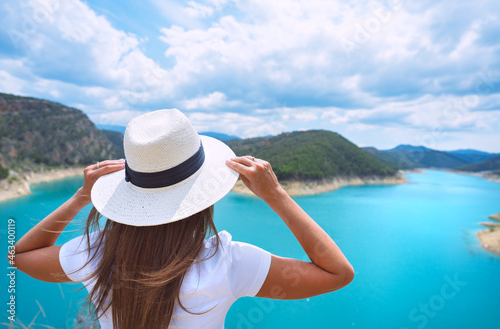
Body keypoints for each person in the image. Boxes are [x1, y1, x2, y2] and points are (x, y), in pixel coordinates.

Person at [12, 109, 354, 328]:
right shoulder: (226, 263)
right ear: (203, 200)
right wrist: (276, 195)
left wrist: (82, 196)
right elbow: (337, 273)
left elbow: (21, 256)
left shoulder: (96, 254)